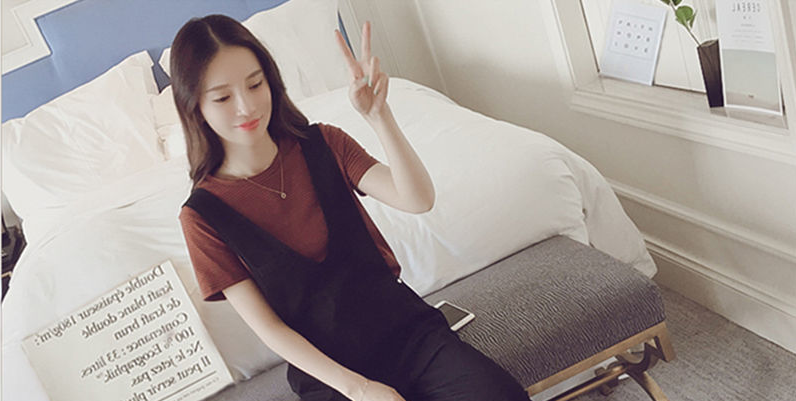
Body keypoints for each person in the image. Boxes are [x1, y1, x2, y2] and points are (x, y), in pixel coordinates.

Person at [173, 14, 530, 401]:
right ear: (195, 106)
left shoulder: (323, 144)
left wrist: (379, 116)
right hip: (333, 377)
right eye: (223, 98)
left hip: (410, 337)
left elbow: (417, 199)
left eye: (255, 84)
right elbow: (270, 329)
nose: (246, 106)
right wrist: (358, 389)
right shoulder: (202, 217)